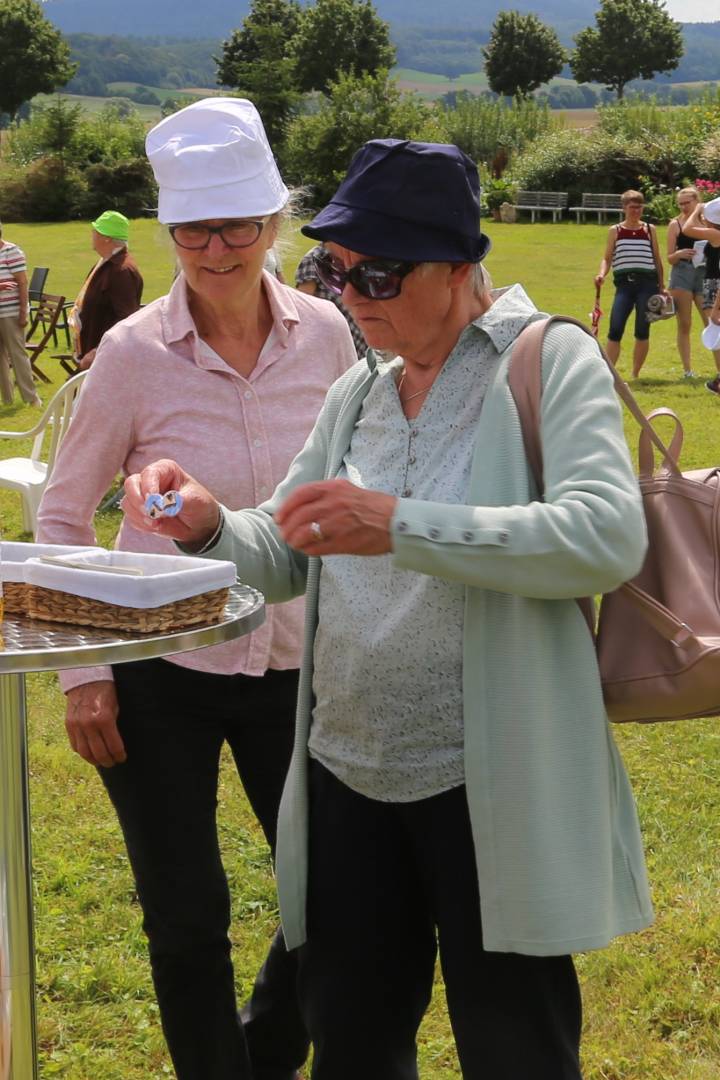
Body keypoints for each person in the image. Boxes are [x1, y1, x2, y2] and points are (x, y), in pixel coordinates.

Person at [122, 139, 654, 1080]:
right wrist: (207, 524)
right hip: (346, 773)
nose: (351, 294)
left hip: (486, 775)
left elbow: (604, 536)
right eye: (333, 268)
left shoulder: (546, 360)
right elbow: (287, 548)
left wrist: (400, 525)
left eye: (377, 270)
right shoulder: (360, 388)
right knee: (355, 1042)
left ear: (458, 265)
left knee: (515, 1044)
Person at [36, 97, 356, 1080]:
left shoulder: (330, 336)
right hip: (158, 671)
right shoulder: (132, 353)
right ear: (170, 231)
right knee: (186, 917)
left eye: (237, 226)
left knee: (328, 902)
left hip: (297, 666)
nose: (216, 248)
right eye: (194, 229)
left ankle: (258, 1057)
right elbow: (60, 516)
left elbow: (354, 489)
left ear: (273, 225)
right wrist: (85, 673)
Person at [595, 189, 665, 377]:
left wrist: (662, 286)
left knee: (642, 330)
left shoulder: (650, 230)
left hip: (648, 285)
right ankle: (609, 374)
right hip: (624, 285)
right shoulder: (615, 231)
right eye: (632, 208)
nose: (636, 211)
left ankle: (635, 374)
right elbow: (607, 258)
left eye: (639, 207)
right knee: (615, 329)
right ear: (624, 208)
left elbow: (657, 259)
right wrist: (601, 274)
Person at [67, 210, 143, 370]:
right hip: (94, 354)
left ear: (107, 238)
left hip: (106, 360)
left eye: (96, 231)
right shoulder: (106, 263)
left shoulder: (121, 271)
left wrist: (97, 351)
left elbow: (126, 320)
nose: (92, 234)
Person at [295, 243, 367, 357]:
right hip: (330, 335)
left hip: (354, 327)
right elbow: (302, 306)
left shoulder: (351, 254)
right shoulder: (314, 258)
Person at [667, 186, 708, 378]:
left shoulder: (707, 222)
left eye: (687, 203)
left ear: (697, 201)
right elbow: (669, 258)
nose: (683, 207)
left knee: (711, 322)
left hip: (704, 273)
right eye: (680, 204)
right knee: (685, 323)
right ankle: (687, 370)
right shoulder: (675, 224)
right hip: (682, 273)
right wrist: (679, 253)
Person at [681, 195, 720, 395]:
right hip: (713, 283)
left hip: (715, 285)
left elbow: (687, 228)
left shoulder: (716, 235)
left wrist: (697, 210)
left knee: (716, 332)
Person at [0, 221, 42, 408]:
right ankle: (7, 399)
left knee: (17, 355)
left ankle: (31, 398)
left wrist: (23, 312)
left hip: (11, 313)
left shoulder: (12, 251)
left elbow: (23, 283)